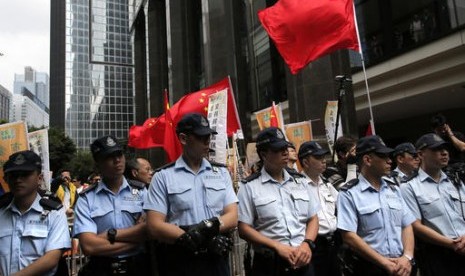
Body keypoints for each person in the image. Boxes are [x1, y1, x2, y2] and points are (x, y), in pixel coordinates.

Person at [145, 113, 238, 276]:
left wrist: (206, 229)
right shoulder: (163, 176)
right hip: (181, 260)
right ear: (183, 138)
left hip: (216, 258)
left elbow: (232, 215)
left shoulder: (221, 173)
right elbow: (154, 225)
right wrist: (195, 237)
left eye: (208, 136)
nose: (207, 141)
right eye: (201, 136)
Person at [238, 127, 320, 276]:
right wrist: (277, 247)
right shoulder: (249, 186)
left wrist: (307, 243)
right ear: (263, 154)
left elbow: (313, 218)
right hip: (270, 264)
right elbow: (244, 228)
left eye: (285, 147)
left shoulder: (300, 181)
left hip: (303, 260)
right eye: (277, 149)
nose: (285, 152)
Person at [337, 135, 416, 276]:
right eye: (383, 156)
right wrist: (384, 262)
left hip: (402, 266)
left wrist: (407, 257)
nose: (389, 160)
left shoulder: (394, 189)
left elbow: (407, 224)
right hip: (370, 267)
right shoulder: (349, 193)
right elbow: (349, 236)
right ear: (367, 160)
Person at [73, 135, 149, 275]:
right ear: (98, 164)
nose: (117, 160)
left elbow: (149, 230)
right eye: (109, 157)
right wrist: (136, 242)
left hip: (138, 268)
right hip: (101, 269)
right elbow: (89, 246)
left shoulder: (142, 192)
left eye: (119, 154)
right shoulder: (86, 199)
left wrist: (109, 234)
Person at [400, 133, 465, 275]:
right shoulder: (409, 186)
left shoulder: (455, 179)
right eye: (436, 149)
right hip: (439, 254)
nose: (444, 153)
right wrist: (454, 244)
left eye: (445, 149)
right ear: (420, 154)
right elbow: (416, 226)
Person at [0, 150, 70, 276]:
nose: (18, 180)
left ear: (39, 178)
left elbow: (52, 258)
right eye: (13, 175)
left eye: (25, 174)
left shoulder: (54, 212)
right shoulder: (1, 212)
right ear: (6, 179)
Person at [298, 141, 341, 276]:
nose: (323, 161)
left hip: (334, 244)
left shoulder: (327, 184)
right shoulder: (297, 186)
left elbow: (342, 205)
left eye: (323, 157)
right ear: (305, 162)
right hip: (314, 246)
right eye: (318, 158)